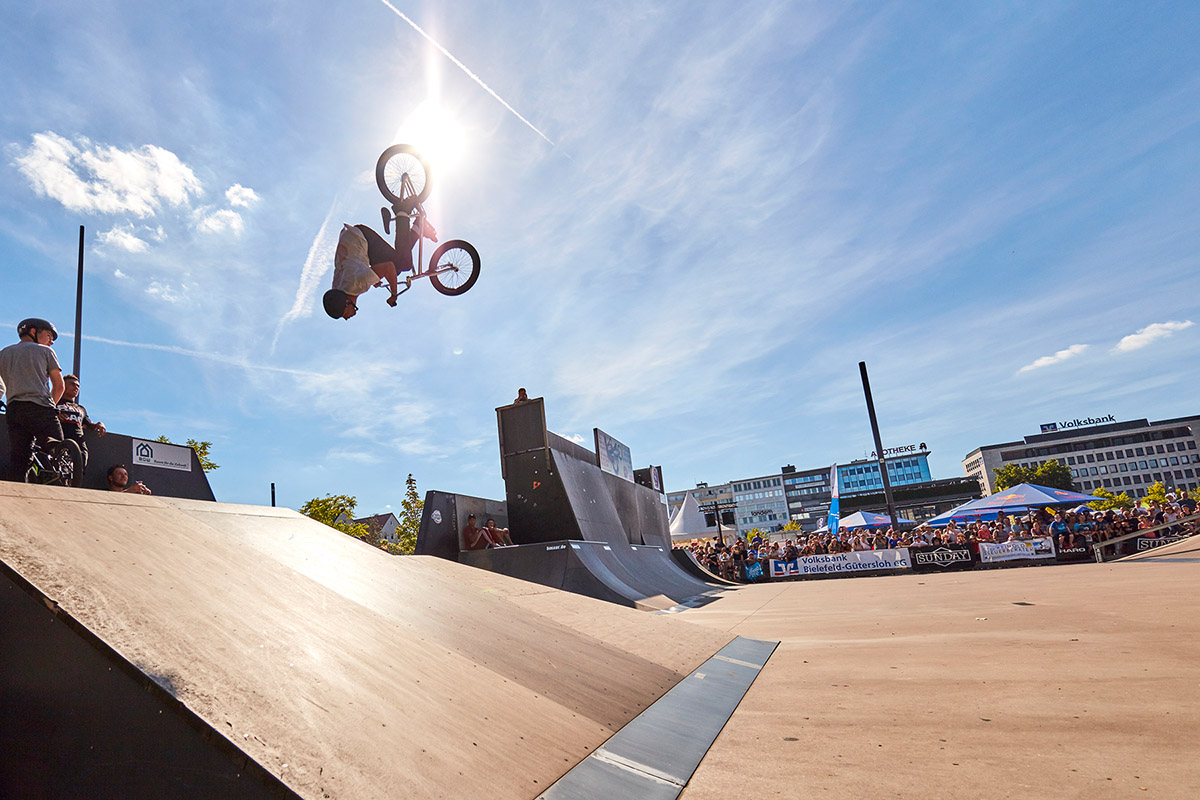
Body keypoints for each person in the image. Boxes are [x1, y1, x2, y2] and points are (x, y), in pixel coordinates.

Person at [322, 219, 437, 320]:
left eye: (344, 314)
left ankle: (403, 212)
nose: (346, 318)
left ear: (348, 302)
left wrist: (394, 294)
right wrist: (373, 278)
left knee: (403, 263)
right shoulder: (337, 289)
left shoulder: (357, 284)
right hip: (352, 239)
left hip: (361, 237)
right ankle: (418, 228)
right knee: (395, 271)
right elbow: (352, 268)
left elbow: (388, 267)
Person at [0, 318, 65, 482]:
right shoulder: (45, 352)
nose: (51, 342)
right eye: (49, 336)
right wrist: (51, 406)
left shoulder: (3, 353)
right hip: (40, 407)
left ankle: (16, 494)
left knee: (19, 457)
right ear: (34, 332)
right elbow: (59, 386)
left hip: (13, 410)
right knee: (58, 447)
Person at [56, 374, 106, 486]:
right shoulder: (55, 402)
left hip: (79, 443)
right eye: (72, 384)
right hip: (60, 439)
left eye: (78, 386)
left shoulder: (81, 408)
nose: (76, 387)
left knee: (77, 470)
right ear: (63, 385)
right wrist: (55, 417)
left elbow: (89, 424)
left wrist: (99, 424)